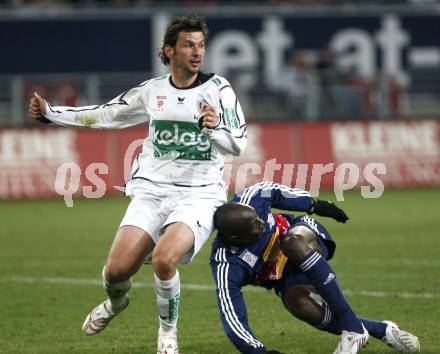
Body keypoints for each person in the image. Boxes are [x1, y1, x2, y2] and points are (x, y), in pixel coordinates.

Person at [28, 15, 247, 353]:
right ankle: (116, 304)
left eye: (201, 45)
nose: (197, 52)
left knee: (163, 259)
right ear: (169, 50)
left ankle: (167, 335)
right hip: (152, 192)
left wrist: (214, 128)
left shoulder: (219, 90)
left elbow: (238, 144)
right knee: (116, 272)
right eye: (189, 45)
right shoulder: (152, 91)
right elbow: (105, 114)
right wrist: (51, 114)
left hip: (200, 195)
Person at [210, 181, 420, 354]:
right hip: (284, 275)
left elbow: (275, 191)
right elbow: (232, 315)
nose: (261, 224)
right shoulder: (226, 263)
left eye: (258, 217)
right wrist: (258, 352)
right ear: (235, 238)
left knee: (291, 241)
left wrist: (314, 205)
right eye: (254, 226)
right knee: (297, 303)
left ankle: (353, 329)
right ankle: (380, 329)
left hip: (303, 236)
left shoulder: (251, 198)